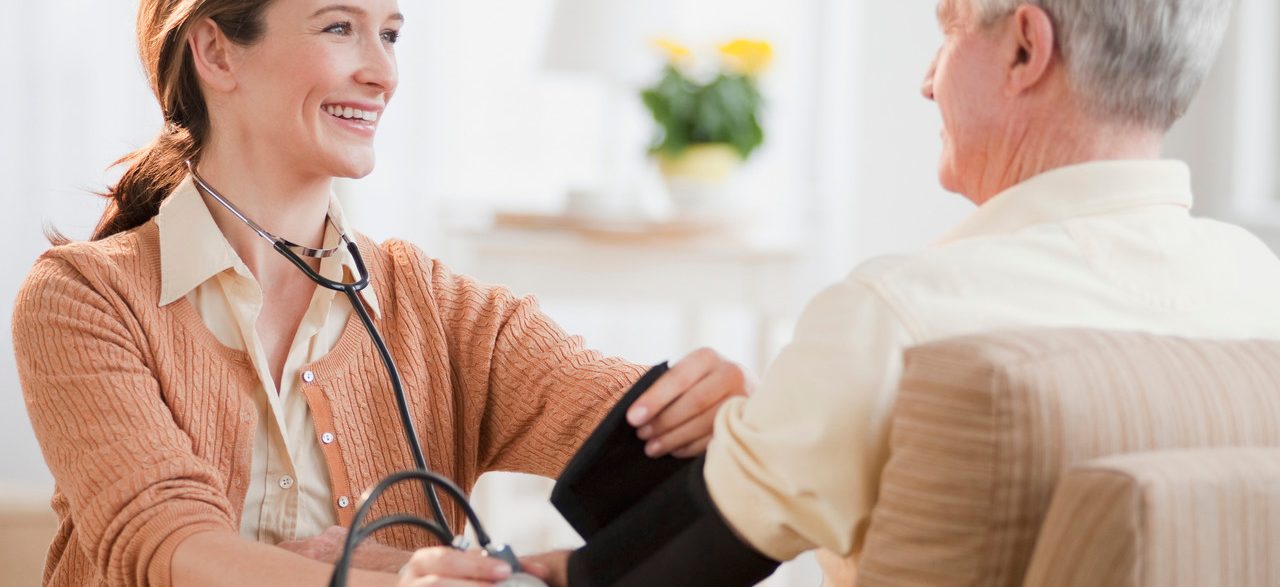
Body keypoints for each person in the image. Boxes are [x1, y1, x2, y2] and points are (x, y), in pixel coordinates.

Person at [10, 1, 749, 586]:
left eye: (391, 34)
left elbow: (644, 439)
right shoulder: (84, 297)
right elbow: (166, 542)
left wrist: (719, 413)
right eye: (340, 27)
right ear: (215, 51)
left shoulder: (437, 307)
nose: (383, 73)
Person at [544, 0, 1280, 585]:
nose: (928, 79)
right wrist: (778, 407)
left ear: (1026, 46)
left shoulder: (897, 320)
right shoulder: (1261, 289)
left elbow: (630, 574)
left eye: (952, 28)